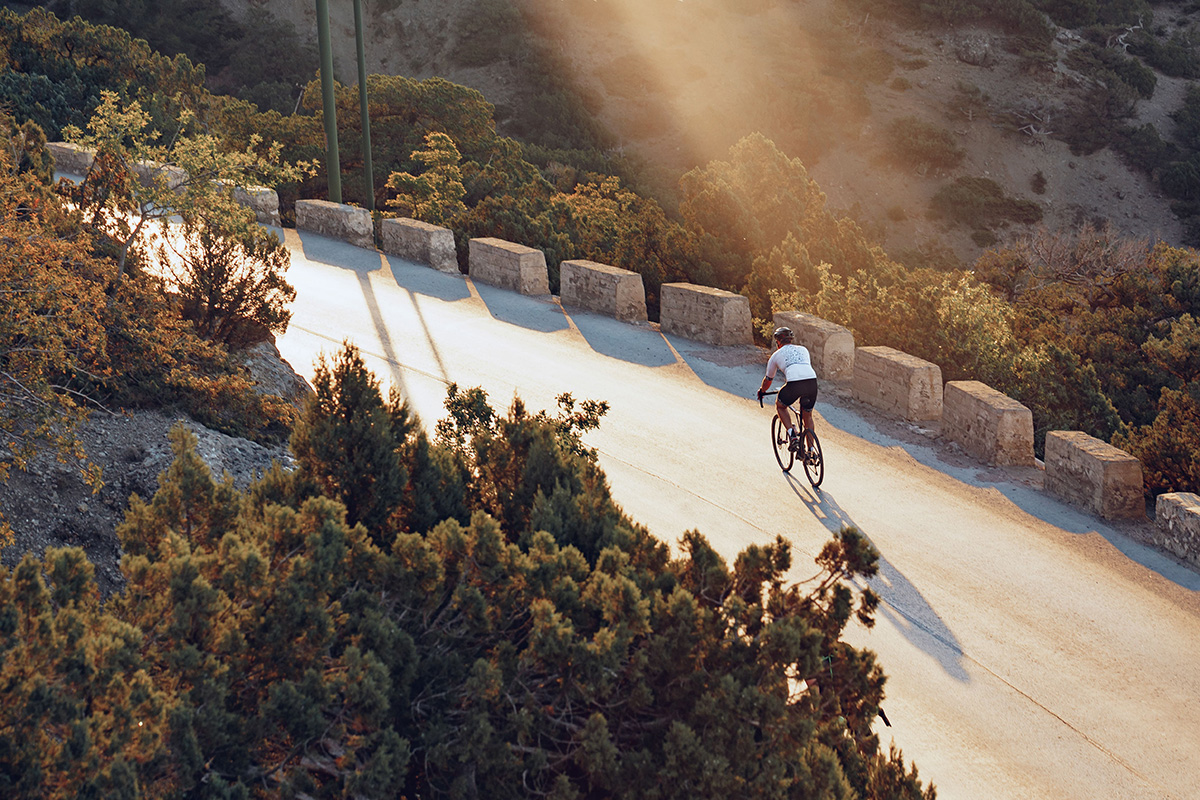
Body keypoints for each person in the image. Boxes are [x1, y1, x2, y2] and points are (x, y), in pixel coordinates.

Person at [757, 326, 818, 452]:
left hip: (795, 383)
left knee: (781, 406)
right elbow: (803, 368)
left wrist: (762, 391)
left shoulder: (775, 356)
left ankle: (792, 436)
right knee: (808, 416)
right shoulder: (803, 349)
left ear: (778, 341)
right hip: (812, 381)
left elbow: (768, 380)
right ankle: (811, 451)